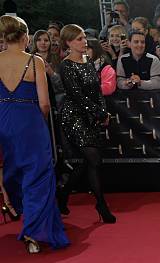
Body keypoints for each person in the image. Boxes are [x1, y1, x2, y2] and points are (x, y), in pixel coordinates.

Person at [0, 15, 69, 252]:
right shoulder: (35, 61)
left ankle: (21, 211)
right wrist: (38, 123)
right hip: (29, 121)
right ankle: (33, 232)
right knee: (38, 175)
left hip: (3, 122)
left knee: (13, 170)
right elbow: (44, 103)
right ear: (25, 36)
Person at [57, 24, 116, 224]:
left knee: (90, 161)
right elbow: (77, 96)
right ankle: (101, 204)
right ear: (68, 43)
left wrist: (103, 111)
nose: (84, 42)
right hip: (73, 117)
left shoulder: (88, 60)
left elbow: (97, 90)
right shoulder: (65, 65)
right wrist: (100, 112)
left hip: (90, 116)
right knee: (93, 158)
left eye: (84, 38)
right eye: (79, 39)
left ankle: (63, 194)